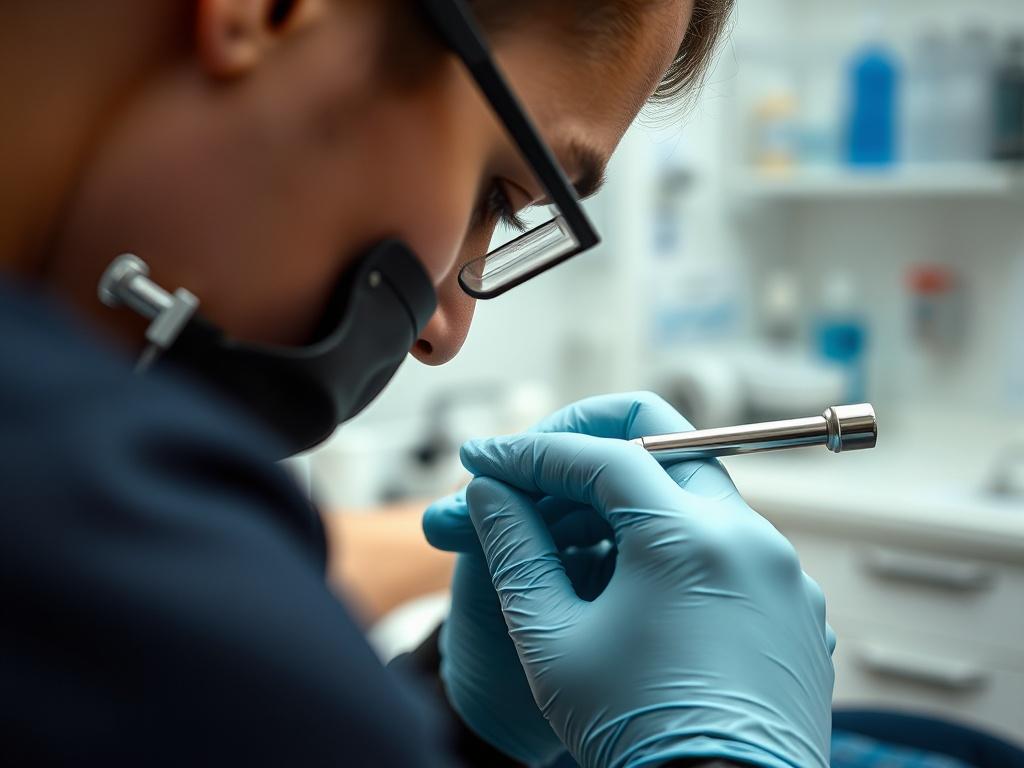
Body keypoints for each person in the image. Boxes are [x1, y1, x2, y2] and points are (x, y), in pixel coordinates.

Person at [0, 1, 836, 766]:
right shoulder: (79, 506)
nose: (443, 330)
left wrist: (471, 728)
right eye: (500, 194)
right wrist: (726, 755)